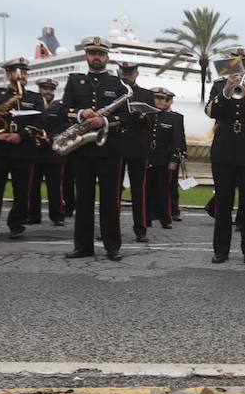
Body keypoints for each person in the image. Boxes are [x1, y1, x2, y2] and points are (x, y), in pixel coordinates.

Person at [56, 36, 134, 261]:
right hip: (82, 149)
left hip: (109, 149)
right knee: (83, 200)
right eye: (92, 53)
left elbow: (127, 118)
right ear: (86, 56)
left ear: (107, 57)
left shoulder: (118, 84)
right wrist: (81, 114)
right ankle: (83, 247)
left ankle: (112, 247)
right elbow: (63, 112)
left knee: (110, 200)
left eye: (100, 53)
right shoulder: (74, 81)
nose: (96, 57)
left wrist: (105, 122)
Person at [205, 53, 245, 264]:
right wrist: (226, 89)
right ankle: (220, 250)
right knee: (223, 203)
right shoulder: (218, 85)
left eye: (243, 63)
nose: (238, 67)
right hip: (224, 148)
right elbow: (210, 111)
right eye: (235, 63)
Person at [0, 58, 45, 239]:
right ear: (8, 74)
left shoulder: (35, 98)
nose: (22, 75)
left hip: (23, 149)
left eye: (24, 72)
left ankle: (16, 224)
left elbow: (40, 121)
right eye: (17, 72)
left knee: (22, 190)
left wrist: (21, 135)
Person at [117, 60, 156, 243]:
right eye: (124, 72)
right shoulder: (115, 90)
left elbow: (152, 124)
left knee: (138, 190)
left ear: (136, 74)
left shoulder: (146, 94)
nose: (127, 76)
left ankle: (140, 229)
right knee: (113, 191)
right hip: (116, 145)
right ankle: (110, 226)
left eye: (130, 73)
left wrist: (141, 116)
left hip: (137, 146)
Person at [27, 77, 67, 226]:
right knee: (33, 186)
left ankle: (57, 216)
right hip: (34, 151)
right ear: (39, 89)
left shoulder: (60, 106)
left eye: (50, 89)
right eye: (44, 89)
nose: (47, 92)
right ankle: (33, 215)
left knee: (55, 187)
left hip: (53, 153)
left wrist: (49, 139)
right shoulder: (32, 105)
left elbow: (64, 126)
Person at [145, 88, 183, 230]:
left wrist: (174, 159)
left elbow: (176, 140)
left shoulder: (172, 118)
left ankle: (165, 218)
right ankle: (146, 217)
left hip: (163, 158)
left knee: (164, 190)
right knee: (146, 190)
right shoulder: (147, 116)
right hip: (148, 157)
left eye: (163, 99)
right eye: (157, 98)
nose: (160, 101)